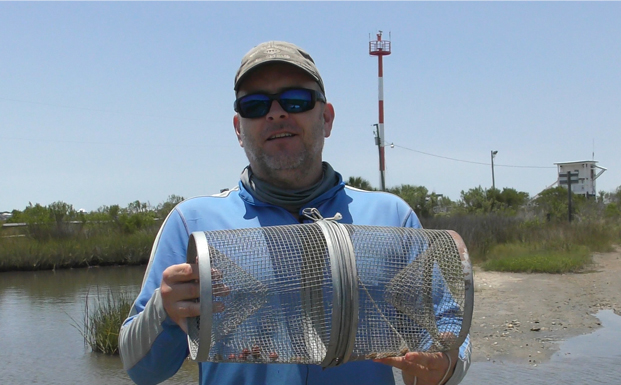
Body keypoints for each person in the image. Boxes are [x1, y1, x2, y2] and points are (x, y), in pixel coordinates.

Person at [119, 41, 471, 385]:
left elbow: (450, 325)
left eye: (296, 100)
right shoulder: (191, 222)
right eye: (255, 105)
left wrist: (446, 365)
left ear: (327, 118)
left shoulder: (392, 216)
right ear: (239, 129)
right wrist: (162, 312)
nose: (276, 113)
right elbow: (141, 370)